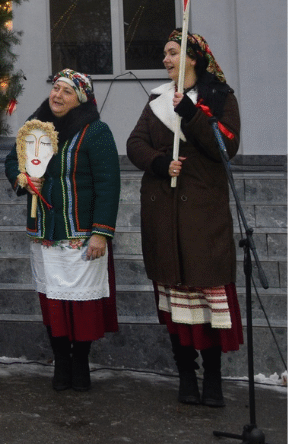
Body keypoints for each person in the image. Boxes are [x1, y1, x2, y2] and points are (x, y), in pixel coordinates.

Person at [127, 31, 241, 408]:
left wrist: (192, 115)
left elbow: (226, 145)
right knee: (177, 306)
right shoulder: (157, 99)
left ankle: (212, 380)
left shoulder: (220, 98)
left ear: (193, 58)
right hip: (164, 214)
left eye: (173, 53)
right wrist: (160, 162)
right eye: (164, 53)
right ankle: (186, 377)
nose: (166, 59)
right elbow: (135, 144)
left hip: (203, 219)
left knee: (207, 305)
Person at [5, 70, 120, 392]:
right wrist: (23, 178)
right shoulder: (37, 125)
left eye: (67, 92)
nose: (57, 95)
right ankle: (61, 361)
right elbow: (13, 160)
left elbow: (109, 185)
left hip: (82, 234)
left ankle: (80, 363)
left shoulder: (96, 132)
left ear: (80, 99)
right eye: (55, 88)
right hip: (45, 232)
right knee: (53, 301)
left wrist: (101, 232)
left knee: (80, 306)